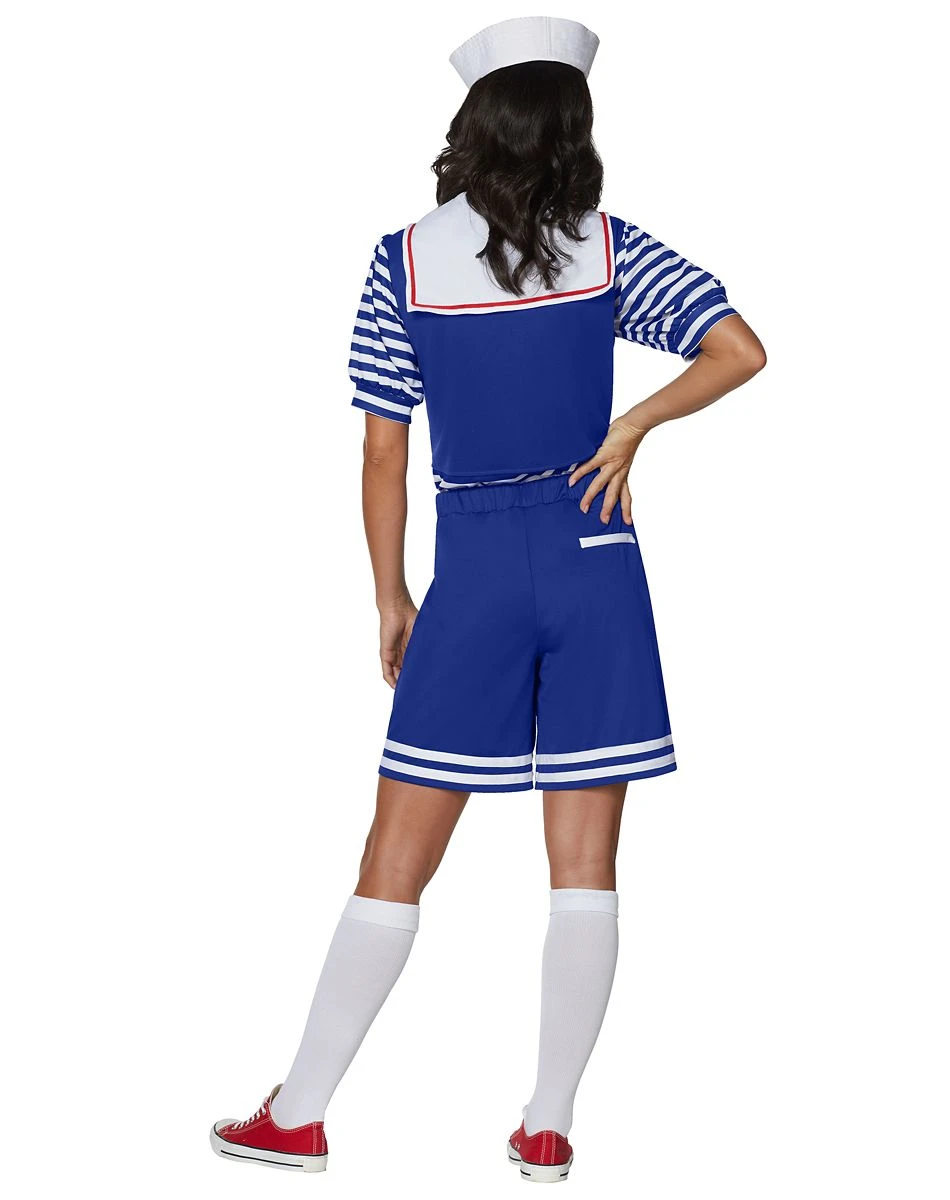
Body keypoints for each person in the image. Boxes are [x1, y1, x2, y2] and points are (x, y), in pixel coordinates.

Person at [210, 15, 766, 1181]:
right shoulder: (608, 247)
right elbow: (737, 349)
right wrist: (629, 426)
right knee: (585, 863)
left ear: (473, 126)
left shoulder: (404, 260)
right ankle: (548, 1125)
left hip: (471, 561)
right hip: (594, 550)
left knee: (395, 851)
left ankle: (298, 1113)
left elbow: (382, 449)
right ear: (572, 129)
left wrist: (389, 595)